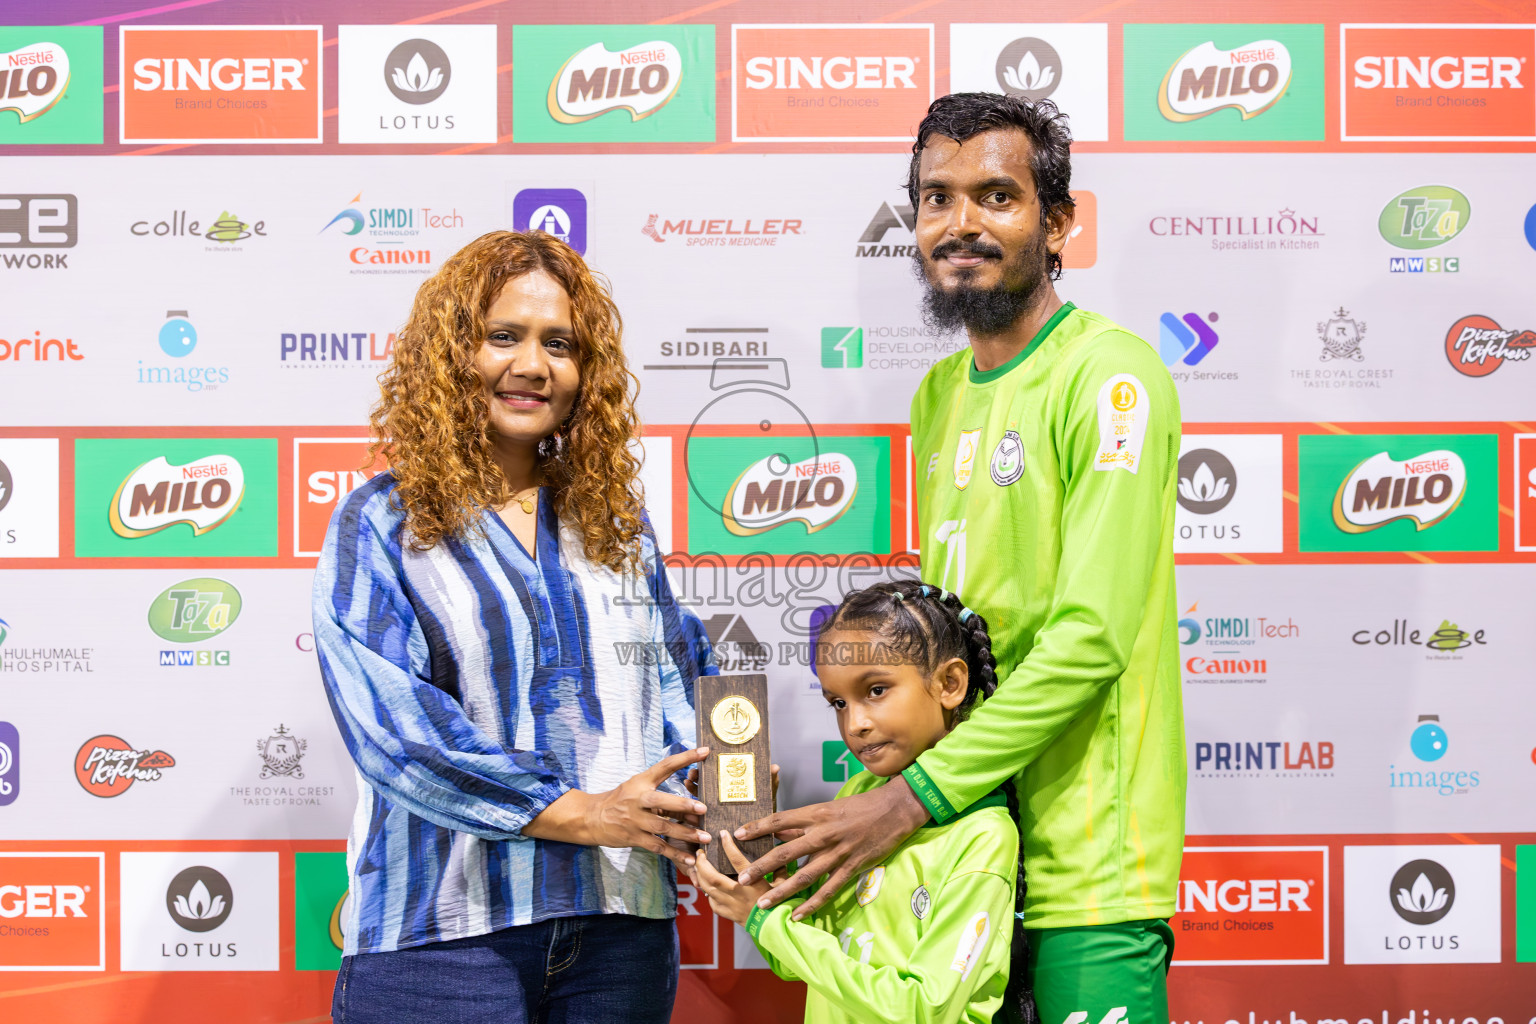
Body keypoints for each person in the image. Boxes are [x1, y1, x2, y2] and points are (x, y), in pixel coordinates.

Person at [735, 94, 1186, 1024]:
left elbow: (1090, 639)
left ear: (1058, 221)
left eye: (995, 196)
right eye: (935, 199)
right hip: (957, 849)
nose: (960, 224)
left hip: (1081, 862)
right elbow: (934, 646)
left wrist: (909, 799)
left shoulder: (1112, 377)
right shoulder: (939, 393)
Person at [312, 230, 715, 1024]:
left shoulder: (616, 525)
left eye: (559, 344)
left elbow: (675, 678)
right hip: (445, 940)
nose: (533, 364)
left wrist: (717, 783)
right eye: (504, 336)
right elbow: (397, 733)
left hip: (619, 929)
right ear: (452, 355)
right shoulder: (383, 524)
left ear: (585, 373)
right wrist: (584, 812)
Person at [692, 581, 1032, 1024]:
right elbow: (795, 959)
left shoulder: (982, 836)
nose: (855, 724)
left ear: (950, 683)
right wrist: (764, 878)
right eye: (837, 702)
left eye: (876, 690)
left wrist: (767, 924)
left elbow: (923, 1008)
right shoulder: (856, 797)